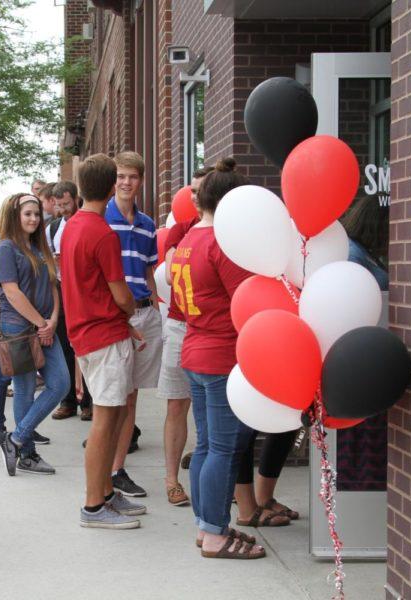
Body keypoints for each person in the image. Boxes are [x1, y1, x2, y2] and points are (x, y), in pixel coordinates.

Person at [174, 157, 265, 559]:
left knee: (209, 445)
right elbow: (248, 305)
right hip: (221, 356)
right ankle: (213, 533)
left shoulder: (188, 238)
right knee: (223, 449)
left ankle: (207, 527)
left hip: (196, 350)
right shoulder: (222, 245)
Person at [60, 153, 147, 529]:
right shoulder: (101, 232)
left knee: (110, 420)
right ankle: (94, 506)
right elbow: (121, 295)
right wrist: (128, 317)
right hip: (103, 336)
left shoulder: (73, 227)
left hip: (87, 333)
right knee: (105, 421)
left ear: (81, 187)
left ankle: (107, 495)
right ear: (112, 187)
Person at [0, 194, 69, 475]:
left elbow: (53, 285)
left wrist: (52, 320)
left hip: (45, 326)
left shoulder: (40, 247)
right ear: (16, 216)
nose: (34, 219)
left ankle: (15, 438)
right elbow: (11, 292)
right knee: (25, 389)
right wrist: (41, 324)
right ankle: (26, 454)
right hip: (19, 329)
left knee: (60, 383)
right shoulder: (6, 248)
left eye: (36, 214)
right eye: (28, 214)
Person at [104, 151, 163, 499]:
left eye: (133, 177)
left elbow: (148, 271)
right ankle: (107, 468)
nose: (127, 183)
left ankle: (118, 467)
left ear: (141, 181)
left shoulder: (148, 225)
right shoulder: (102, 220)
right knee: (115, 396)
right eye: (121, 176)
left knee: (132, 398)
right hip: (115, 316)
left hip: (144, 313)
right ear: (114, 180)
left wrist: (156, 307)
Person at [158, 165, 211, 506]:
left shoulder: (235, 232)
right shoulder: (180, 230)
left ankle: (218, 480)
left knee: (214, 410)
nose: (192, 196)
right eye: (190, 190)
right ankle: (172, 479)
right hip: (181, 326)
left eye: (198, 190)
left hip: (217, 332)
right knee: (177, 404)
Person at [48, 180, 94, 421]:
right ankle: (68, 401)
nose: (63, 209)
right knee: (65, 347)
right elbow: (45, 258)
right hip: (63, 289)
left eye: (66, 203)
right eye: (58, 205)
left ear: (76, 198)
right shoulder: (53, 228)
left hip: (85, 291)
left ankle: (89, 401)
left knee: (87, 347)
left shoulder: (89, 222)